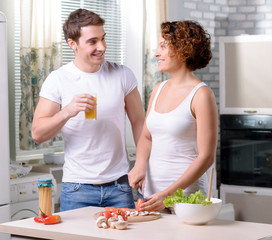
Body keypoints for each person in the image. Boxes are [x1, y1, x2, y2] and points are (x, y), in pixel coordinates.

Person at [32, 9, 145, 211]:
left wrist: (141, 165)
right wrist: (67, 111)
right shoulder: (58, 80)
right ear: (72, 44)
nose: (102, 47)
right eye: (93, 41)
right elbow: (38, 134)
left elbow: (139, 122)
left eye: (103, 39)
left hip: (120, 187)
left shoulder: (122, 75)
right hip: (77, 189)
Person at [128, 20, 218, 212]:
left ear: (183, 49)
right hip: (152, 195)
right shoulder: (158, 89)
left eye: (163, 47)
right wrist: (139, 165)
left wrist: (168, 195)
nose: (156, 53)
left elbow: (206, 157)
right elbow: (146, 137)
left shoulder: (201, 95)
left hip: (185, 198)